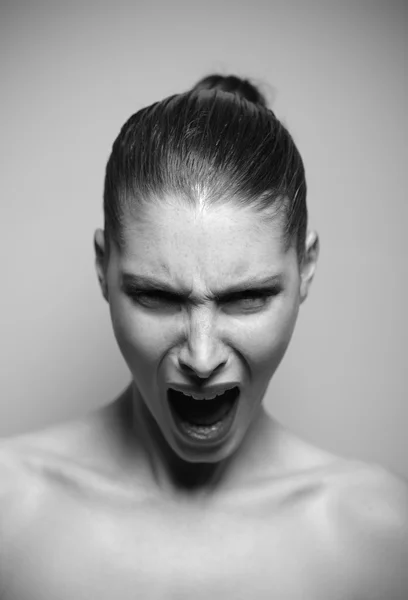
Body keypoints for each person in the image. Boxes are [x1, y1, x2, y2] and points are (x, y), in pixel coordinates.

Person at [1, 74, 407, 600]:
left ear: (305, 267)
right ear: (104, 268)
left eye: (247, 297)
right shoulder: (9, 511)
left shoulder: (382, 537)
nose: (201, 355)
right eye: (157, 296)